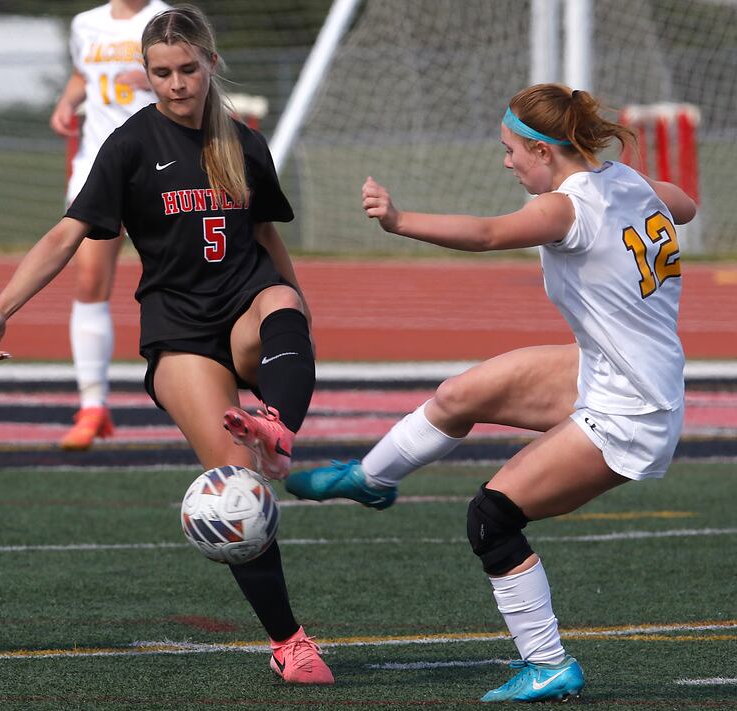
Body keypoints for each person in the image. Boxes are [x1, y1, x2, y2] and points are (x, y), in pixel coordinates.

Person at [286, 83, 696, 702]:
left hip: (631, 407)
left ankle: (548, 662)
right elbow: (683, 205)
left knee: (492, 518)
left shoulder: (566, 207)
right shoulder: (627, 181)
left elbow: (483, 233)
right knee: (461, 396)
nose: (506, 162)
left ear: (542, 150)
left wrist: (398, 221)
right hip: (617, 368)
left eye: (511, 151)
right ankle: (372, 479)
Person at [0, 5, 333, 686]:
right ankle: (289, 640)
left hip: (246, 307)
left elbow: (265, 238)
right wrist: (1, 307)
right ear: (147, 74)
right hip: (181, 332)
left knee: (285, 306)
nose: (175, 83)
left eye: (187, 69)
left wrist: (297, 306)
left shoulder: (245, 144)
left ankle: (278, 423)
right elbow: (66, 233)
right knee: (238, 487)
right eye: (162, 72)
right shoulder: (131, 145)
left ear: (212, 65)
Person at [50, 0, 170, 451]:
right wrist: (67, 102)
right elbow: (84, 72)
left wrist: (156, 79)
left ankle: (213, 381)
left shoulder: (164, 18)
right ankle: (93, 405)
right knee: (89, 281)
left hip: (161, 163)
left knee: (187, 277)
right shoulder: (85, 23)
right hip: (99, 169)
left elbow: (200, 78)